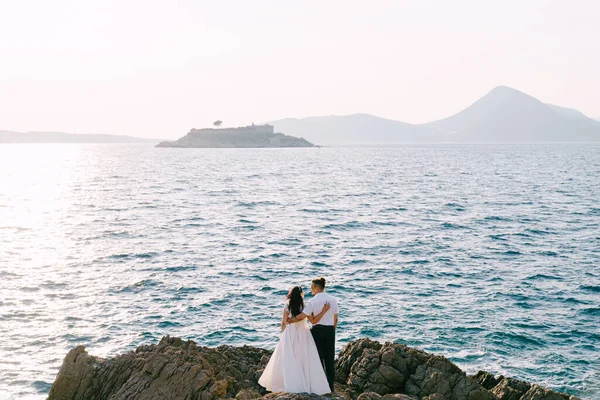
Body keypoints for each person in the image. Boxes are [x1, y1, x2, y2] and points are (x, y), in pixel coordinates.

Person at [258, 286, 332, 394]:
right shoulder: (305, 306)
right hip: (303, 333)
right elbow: (314, 321)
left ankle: (288, 383)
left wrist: (283, 333)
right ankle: (306, 383)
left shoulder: (288, 305)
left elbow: (283, 322)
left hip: (290, 333)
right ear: (301, 294)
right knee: (304, 358)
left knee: (288, 358)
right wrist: (324, 311)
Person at [286, 277, 339, 392]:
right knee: (330, 359)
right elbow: (335, 319)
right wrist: (332, 330)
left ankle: (320, 385)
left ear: (316, 288)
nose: (311, 290)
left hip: (317, 331)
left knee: (318, 358)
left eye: (311, 288)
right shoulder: (333, 300)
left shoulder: (313, 301)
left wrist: (290, 320)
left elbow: (302, 316)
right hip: (330, 331)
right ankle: (331, 387)